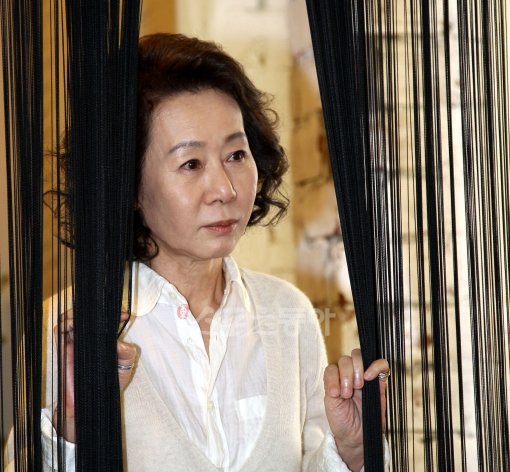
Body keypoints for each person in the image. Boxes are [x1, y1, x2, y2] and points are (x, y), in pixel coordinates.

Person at [5, 33, 389, 471]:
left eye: (236, 155)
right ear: (129, 185)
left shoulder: (288, 313)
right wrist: (73, 428)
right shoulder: (72, 329)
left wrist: (351, 453)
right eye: (191, 164)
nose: (224, 189)